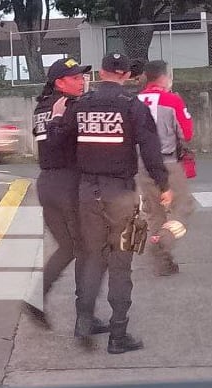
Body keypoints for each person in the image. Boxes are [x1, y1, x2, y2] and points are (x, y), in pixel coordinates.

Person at [49, 53, 172, 354]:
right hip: (121, 193)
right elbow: (152, 152)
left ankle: (84, 322)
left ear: (102, 72)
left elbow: (55, 143)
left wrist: (55, 115)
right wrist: (164, 185)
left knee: (92, 257)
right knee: (121, 262)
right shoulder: (133, 107)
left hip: (87, 191)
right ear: (128, 75)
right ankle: (118, 335)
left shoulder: (79, 105)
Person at [24, 58, 108, 334]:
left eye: (82, 76)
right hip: (69, 184)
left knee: (68, 247)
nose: (82, 80)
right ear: (60, 82)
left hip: (47, 183)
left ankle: (36, 297)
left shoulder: (41, 107)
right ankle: (85, 317)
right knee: (87, 249)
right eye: (75, 77)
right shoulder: (70, 107)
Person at [136, 60, 196, 276]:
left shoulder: (134, 100)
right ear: (165, 77)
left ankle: (162, 260)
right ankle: (163, 241)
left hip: (142, 164)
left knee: (154, 212)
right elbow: (186, 133)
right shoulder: (172, 100)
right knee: (183, 207)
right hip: (168, 162)